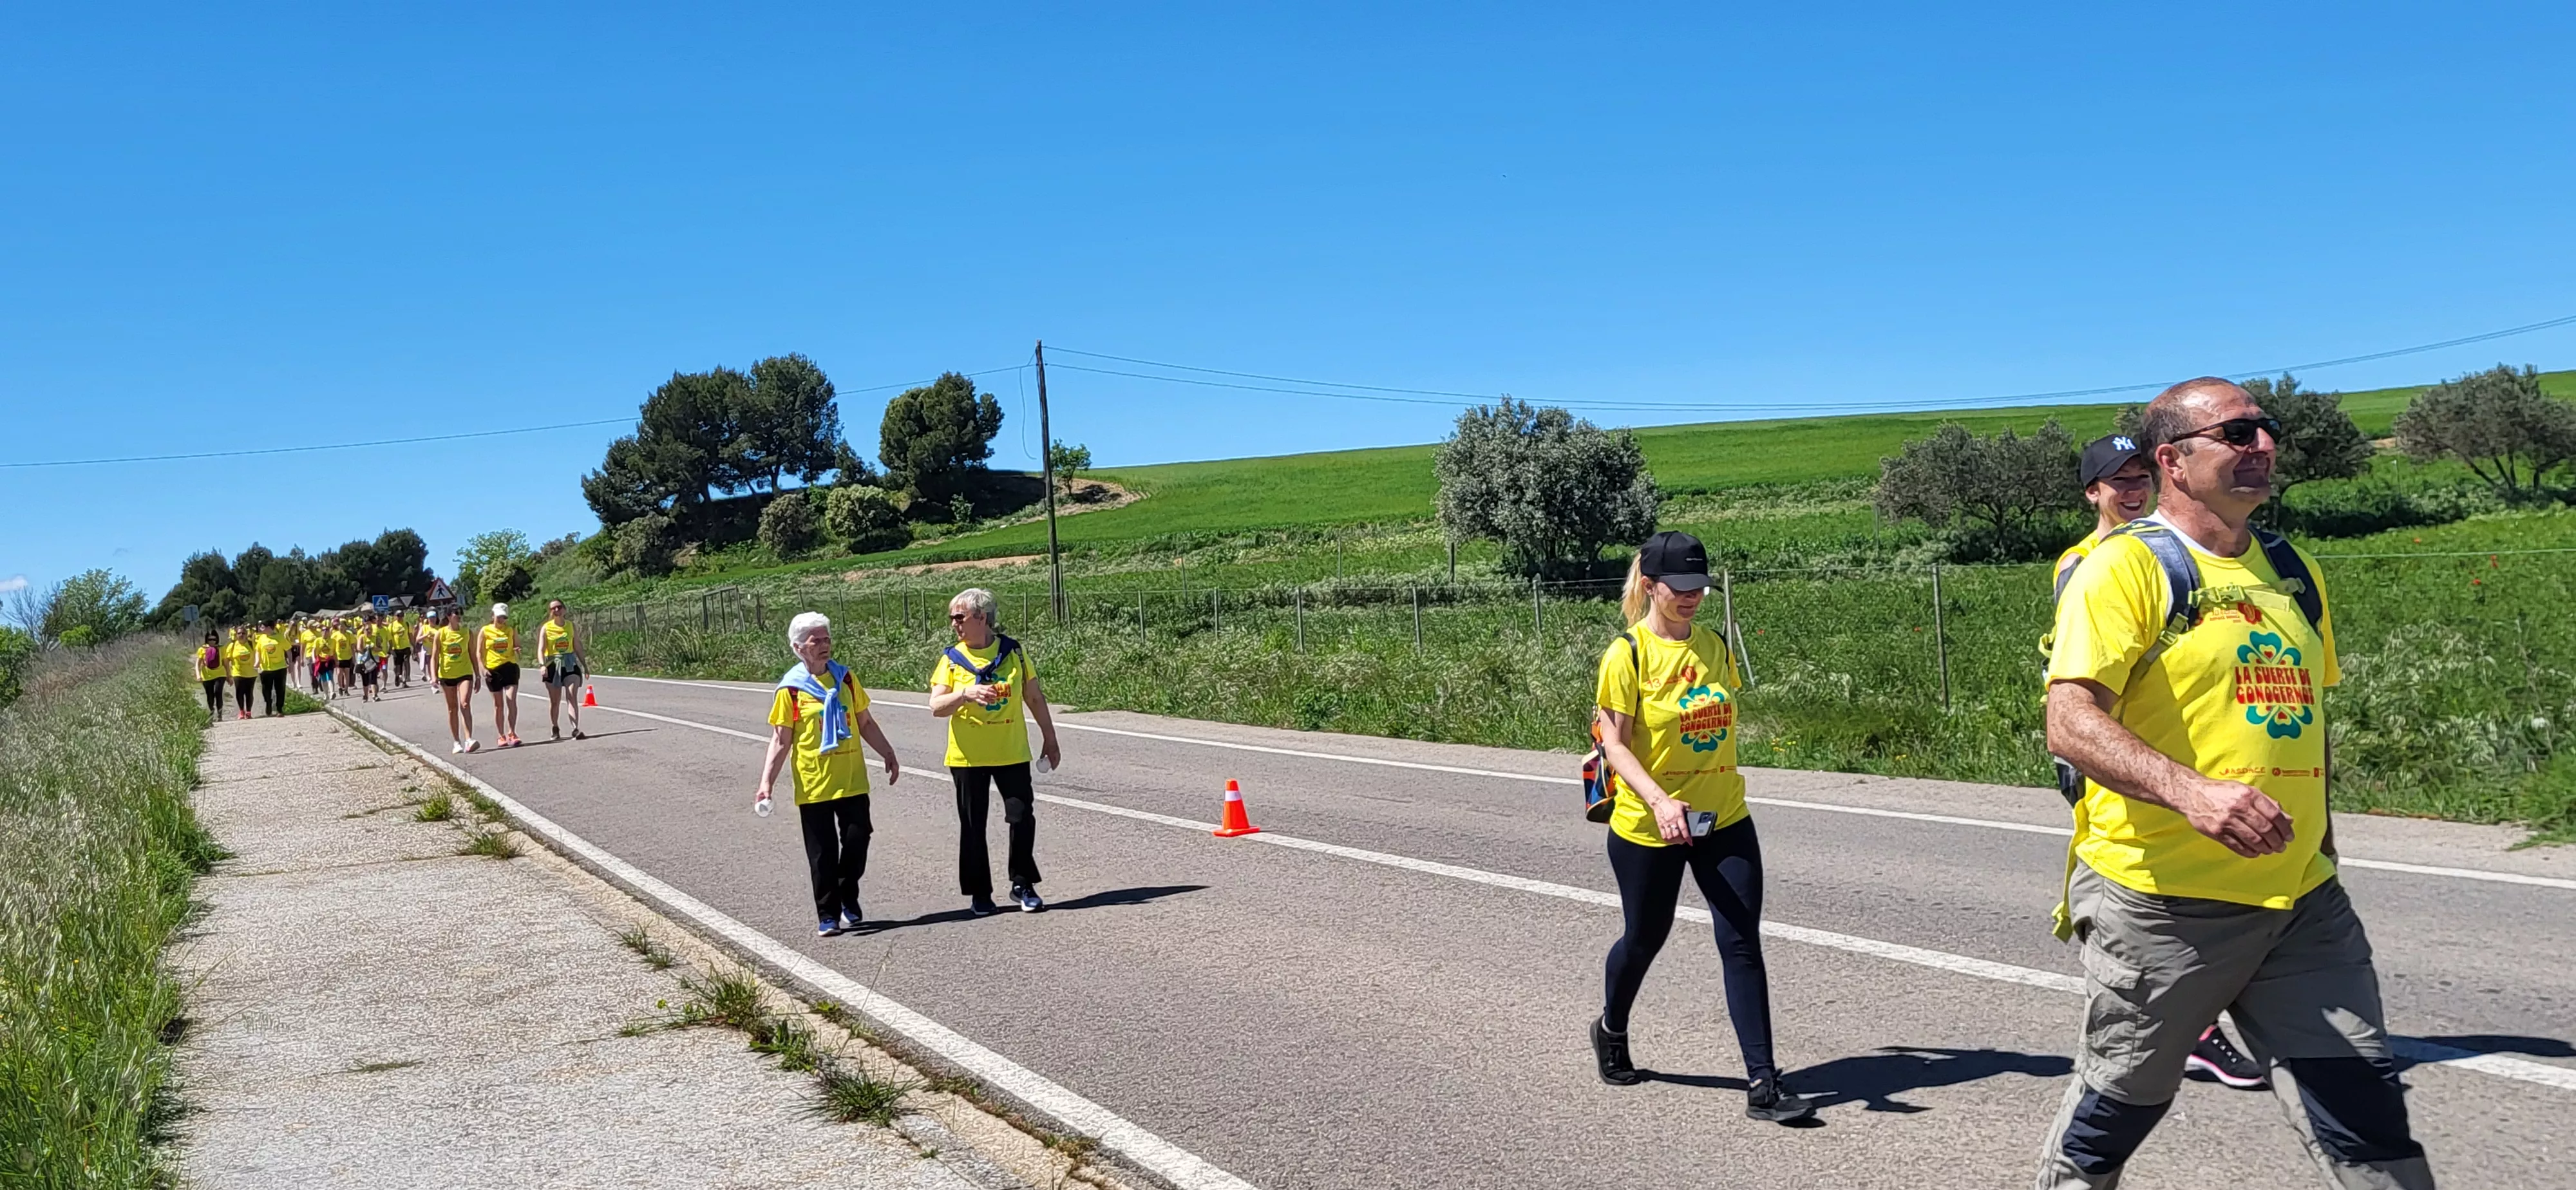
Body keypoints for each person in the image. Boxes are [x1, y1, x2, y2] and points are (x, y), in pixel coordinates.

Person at [2038, 378, 2430, 1189]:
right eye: (2237, 433)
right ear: (2173, 460)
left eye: (2266, 428)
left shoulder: (2291, 569)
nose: (2263, 445)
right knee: (2112, 1121)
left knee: (2366, 1115)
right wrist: (2193, 793)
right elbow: (2069, 722)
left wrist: (2323, 847)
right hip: (2165, 905)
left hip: (2302, 902)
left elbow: (2305, 723)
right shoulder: (2122, 568)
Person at [2053, 435, 2266, 1093]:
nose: (2133, 489)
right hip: (2118, 747)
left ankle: (2181, 1016)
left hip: (2176, 743)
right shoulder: (2088, 563)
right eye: (2117, 481)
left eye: (2139, 476)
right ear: (2092, 493)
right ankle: (2170, 1030)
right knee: (2142, 881)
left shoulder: (2169, 552)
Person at [1587, 531, 1814, 1124]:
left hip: (1724, 816)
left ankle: (1764, 1083)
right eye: (1680, 587)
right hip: (1649, 825)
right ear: (1650, 586)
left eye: (1700, 587)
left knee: (1740, 941)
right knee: (1645, 938)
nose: (1692, 597)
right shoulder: (1627, 655)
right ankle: (1612, 1028)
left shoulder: (1714, 644)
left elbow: (1710, 719)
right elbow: (1614, 745)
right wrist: (1661, 801)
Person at [756, 612, 902, 938]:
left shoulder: (845, 679)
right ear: (799, 648)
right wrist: (766, 783)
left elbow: (865, 722)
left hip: (852, 779)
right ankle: (828, 914)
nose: (824, 645)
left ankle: (847, 891)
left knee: (858, 839)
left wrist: (888, 753)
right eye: (816, 641)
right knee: (822, 854)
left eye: (827, 639)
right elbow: (781, 740)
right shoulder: (791, 691)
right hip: (814, 783)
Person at [928, 587, 1062, 916]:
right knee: (973, 825)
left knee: (1022, 816)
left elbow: (1034, 696)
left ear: (982, 618)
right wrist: (965, 695)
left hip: (1010, 751)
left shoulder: (1013, 652)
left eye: (959, 617)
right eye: (952, 618)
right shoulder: (951, 659)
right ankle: (980, 893)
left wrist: (1050, 737)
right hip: (968, 756)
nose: (954, 624)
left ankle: (1023, 883)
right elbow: (936, 706)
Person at [428, 607, 479, 753]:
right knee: (452, 708)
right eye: (457, 614)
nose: (460, 616)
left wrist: (478, 676)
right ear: (449, 616)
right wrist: (434, 676)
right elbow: (435, 657)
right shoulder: (441, 634)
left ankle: (469, 740)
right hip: (447, 674)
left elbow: (473, 654)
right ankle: (457, 742)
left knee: (465, 703)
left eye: (461, 613)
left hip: (465, 672)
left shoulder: (467, 633)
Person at [539, 600, 586, 741]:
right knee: (555, 700)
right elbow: (541, 649)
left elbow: (577, 645)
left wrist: (584, 665)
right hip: (553, 664)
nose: (556, 610)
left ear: (564, 609)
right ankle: (555, 727)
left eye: (559, 607)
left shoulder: (571, 626)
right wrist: (542, 665)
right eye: (553, 608)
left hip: (570, 663)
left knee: (572, 695)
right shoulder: (546, 628)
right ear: (550, 612)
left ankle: (575, 729)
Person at [478, 603, 524, 747]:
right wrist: (483, 669)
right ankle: (501, 736)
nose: (501, 620)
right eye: (498, 616)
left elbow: (517, 645)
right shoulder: (485, 631)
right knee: (499, 705)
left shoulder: (510, 630)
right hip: (493, 669)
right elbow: (479, 653)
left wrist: (517, 649)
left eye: (503, 617)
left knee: (511, 700)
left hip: (510, 667)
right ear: (493, 616)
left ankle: (512, 733)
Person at [254, 619, 289, 716]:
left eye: (262, 627)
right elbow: (258, 651)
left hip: (280, 667)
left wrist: (290, 662)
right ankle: (268, 703)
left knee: (280, 690)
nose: (260, 629)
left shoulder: (280, 637)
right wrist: (257, 662)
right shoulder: (261, 638)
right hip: (266, 668)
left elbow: (288, 649)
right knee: (266, 690)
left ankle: (279, 710)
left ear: (269, 628)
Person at [225, 623, 258, 721]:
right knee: (239, 692)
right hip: (237, 673)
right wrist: (228, 674)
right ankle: (241, 711)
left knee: (249, 693)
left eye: (243, 633)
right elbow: (226, 660)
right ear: (236, 635)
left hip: (251, 673)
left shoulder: (252, 644)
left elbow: (259, 653)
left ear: (247, 634)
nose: (241, 635)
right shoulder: (232, 646)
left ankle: (249, 712)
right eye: (239, 633)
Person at [195, 629, 228, 717]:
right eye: (210, 639)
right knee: (210, 695)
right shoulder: (202, 650)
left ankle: (220, 713)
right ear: (207, 640)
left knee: (218, 692)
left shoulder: (222, 649)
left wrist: (229, 675)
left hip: (220, 674)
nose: (212, 641)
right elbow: (197, 664)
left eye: (214, 639)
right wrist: (198, 675)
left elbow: (226, 663)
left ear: (217, 640)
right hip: (207, 675)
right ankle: (211, 711)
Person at [329, 616, 357, 699]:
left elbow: (352, 646)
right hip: (338, 657)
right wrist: (332, 656)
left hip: (347, 657)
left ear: (345, 626)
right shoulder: (335, 635)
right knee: (339, 673)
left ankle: (346, 689)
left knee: (347, 674)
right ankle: (340, 687)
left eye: (342, 625)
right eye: (339, 626)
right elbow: (332, 646)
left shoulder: (349, 635)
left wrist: (354, 658)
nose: (341, 627)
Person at [386, 609, 413, 688]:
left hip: (406, 647)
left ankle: (405, 681)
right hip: (396, 648)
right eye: (398, 616)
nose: (400, 618)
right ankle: (398, 676)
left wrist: (414, 646)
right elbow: (389, 639)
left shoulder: (407, 624)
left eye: (401, 616)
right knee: (397, 666)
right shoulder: (391, 626)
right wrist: (390, 649)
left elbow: (410, 636)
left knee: (406, 662)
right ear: (395, 617)